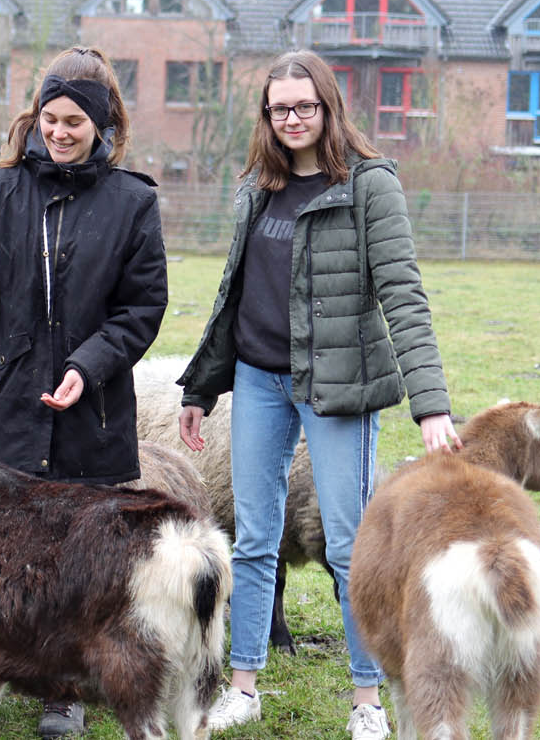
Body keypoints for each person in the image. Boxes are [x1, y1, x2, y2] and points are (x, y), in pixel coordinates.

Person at [176, 49, 461, 740]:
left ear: (329, 107)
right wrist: (201, 388)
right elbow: (233, 298)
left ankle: (367, 698)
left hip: (337, 388)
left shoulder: (370, 186)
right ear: (267, 115)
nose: (293, 118)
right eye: (280, 108)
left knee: (348, 544)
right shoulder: (258, 186)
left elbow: (404, 295)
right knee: (251, 539)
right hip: (258, 381)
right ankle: (242, 684)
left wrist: (431, 404)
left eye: (305, 106)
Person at [0, 46, 168, 739]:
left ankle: (63, 691)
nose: (57, 131)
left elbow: (141, 310)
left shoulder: (133, 202)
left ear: (104, 123)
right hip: (1, 408)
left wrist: (89, 363)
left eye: (73, 120)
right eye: (48, 117)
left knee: (77, 563)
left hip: (92, 413)